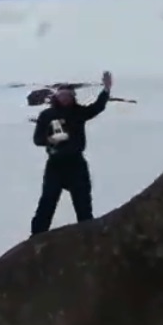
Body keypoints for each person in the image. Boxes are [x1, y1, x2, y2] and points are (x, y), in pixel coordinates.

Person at [30, 71, 112, 235]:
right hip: (55, 165)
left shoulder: (78, 112)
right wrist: (51, 139)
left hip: (76, 164)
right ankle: (36, 238)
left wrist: (106, 90)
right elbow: (37, 139)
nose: (65, 98)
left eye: (68, 95)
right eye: (62, 95)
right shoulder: (47, 115)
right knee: (47, 204)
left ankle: (89, 237)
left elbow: (97, 107)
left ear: (73, 97)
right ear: (56, 97)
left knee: (83, 206)